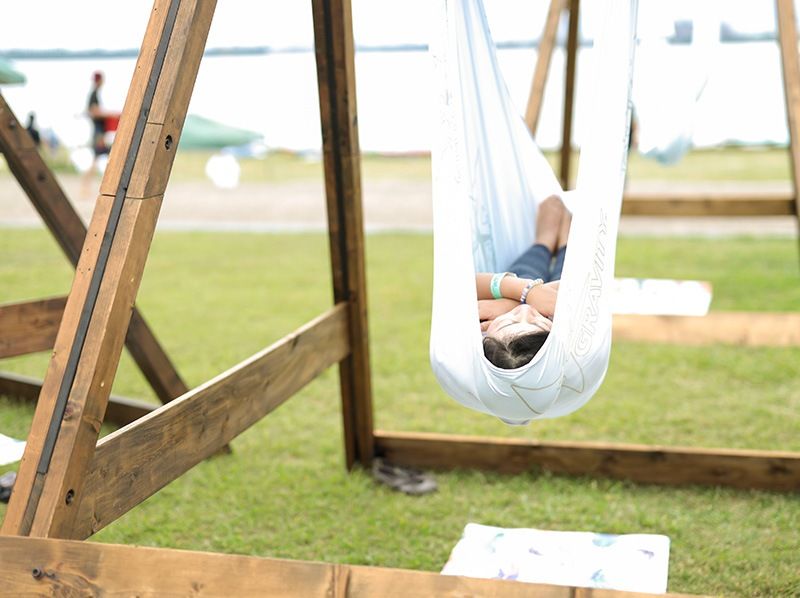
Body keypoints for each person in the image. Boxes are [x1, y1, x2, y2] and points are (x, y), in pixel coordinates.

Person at [476, 195, 571, 369]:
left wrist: (522, 295)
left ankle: (544, 243)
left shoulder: (476, 327)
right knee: (568, 274)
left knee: (522, 276)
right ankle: (565, 243)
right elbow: (581, 288)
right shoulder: (570, 335)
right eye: (538, 323)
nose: (525, 311)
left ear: (486, 336)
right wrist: (527, 294)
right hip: (560, 293)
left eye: (509, 322)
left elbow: (464, 285)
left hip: (526, 282)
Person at [81, 71, 111, 196]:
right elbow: (93, 111)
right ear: (98, 81)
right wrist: (108, 114)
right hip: (98, 134)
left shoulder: (94, 94)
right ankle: (85, 188)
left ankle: (85, 188)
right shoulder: (93, 94)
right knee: (103, 157)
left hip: (99, 133)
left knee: (100, 158)